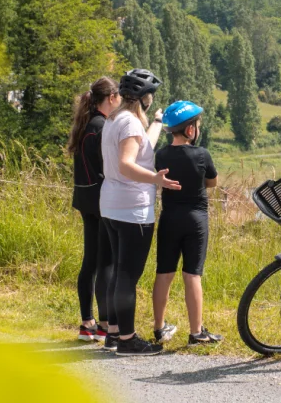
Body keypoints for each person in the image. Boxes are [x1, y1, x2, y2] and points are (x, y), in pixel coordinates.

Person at [100, 69, 181, 357]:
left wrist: (157, 121)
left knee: (118, 272)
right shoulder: (130, 124)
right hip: (132, 208)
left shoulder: (115, 120)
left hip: (111, 205)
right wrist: (155, 180)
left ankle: (113, 334)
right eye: (151, 97)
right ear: (144, 98)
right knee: (127, 276)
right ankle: (128, 339)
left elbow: (141, 145)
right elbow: (126, 164)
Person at [152, 100, 223, 346]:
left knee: (164, 272)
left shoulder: (160, 154)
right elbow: (212, 182)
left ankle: (159, 328)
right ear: (190, 130)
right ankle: (196, 333)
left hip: (169, 218)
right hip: (196, 219)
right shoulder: (202, 154)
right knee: (192, 274)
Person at [68, 77, 120, 342]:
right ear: (111, 97)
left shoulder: (86, 125)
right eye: (118, 95)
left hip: (85, 199)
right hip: (101, 201)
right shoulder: (103, 127)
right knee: (106, 261)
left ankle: (87, 322)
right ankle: (106, 323)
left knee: (90, 261)